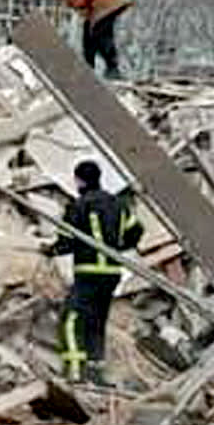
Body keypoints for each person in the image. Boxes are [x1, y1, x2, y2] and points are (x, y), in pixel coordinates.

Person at [50, 159, 136, 384]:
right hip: (111, 275)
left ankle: (76, 372)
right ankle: (96, 372)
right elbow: (134, 233)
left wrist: (50, 250)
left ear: (79, 180)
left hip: (88, 272)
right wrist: (116, 245)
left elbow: (65, 242)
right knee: (96, 322)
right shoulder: (119, 204)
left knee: (71, 318)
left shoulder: (78, 206)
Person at [47, 0, 130, 79]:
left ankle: (112, 67)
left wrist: (75, 4)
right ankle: (88, 66)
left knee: (100, 32)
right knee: (89, 31)